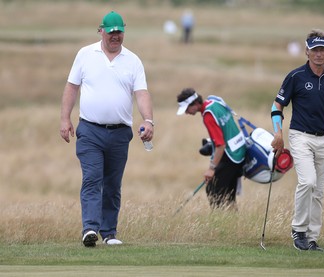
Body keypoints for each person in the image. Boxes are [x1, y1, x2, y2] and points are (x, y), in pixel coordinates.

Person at [60, 11, 154, 247]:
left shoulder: (133, 60)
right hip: (90, 130)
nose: (115, 36)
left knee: (112, 184)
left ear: (124, 31)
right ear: (101, 30)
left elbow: (141, 93)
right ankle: (90, 229)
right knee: (92, 178)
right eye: (111, 32)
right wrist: (65, 119)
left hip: (120, 132)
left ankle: (109, 233)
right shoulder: (85, 54)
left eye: (119, 32)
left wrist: (148, 120)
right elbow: (72, 87)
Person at [270, 29, 324, 251]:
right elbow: (277, 105)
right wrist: (278, 133)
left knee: (318, 190)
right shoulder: (295, 77)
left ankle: (311, 238)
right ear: (307, 51)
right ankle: (298, 230)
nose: (319, 54)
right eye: (315, 50)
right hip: (301, 136)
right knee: (307, 181)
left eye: (323, 50)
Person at [176, 88, 246, 209]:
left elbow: (220, 145)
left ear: (196, 103)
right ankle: (234, 223)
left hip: (229, 155)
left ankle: (220, 223)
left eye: (187, 108)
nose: (187, 112)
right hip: (239, 152)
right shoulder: (215, 102)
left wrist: (211, 169)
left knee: (214, 191)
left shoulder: (208, 115)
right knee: (229, 195)